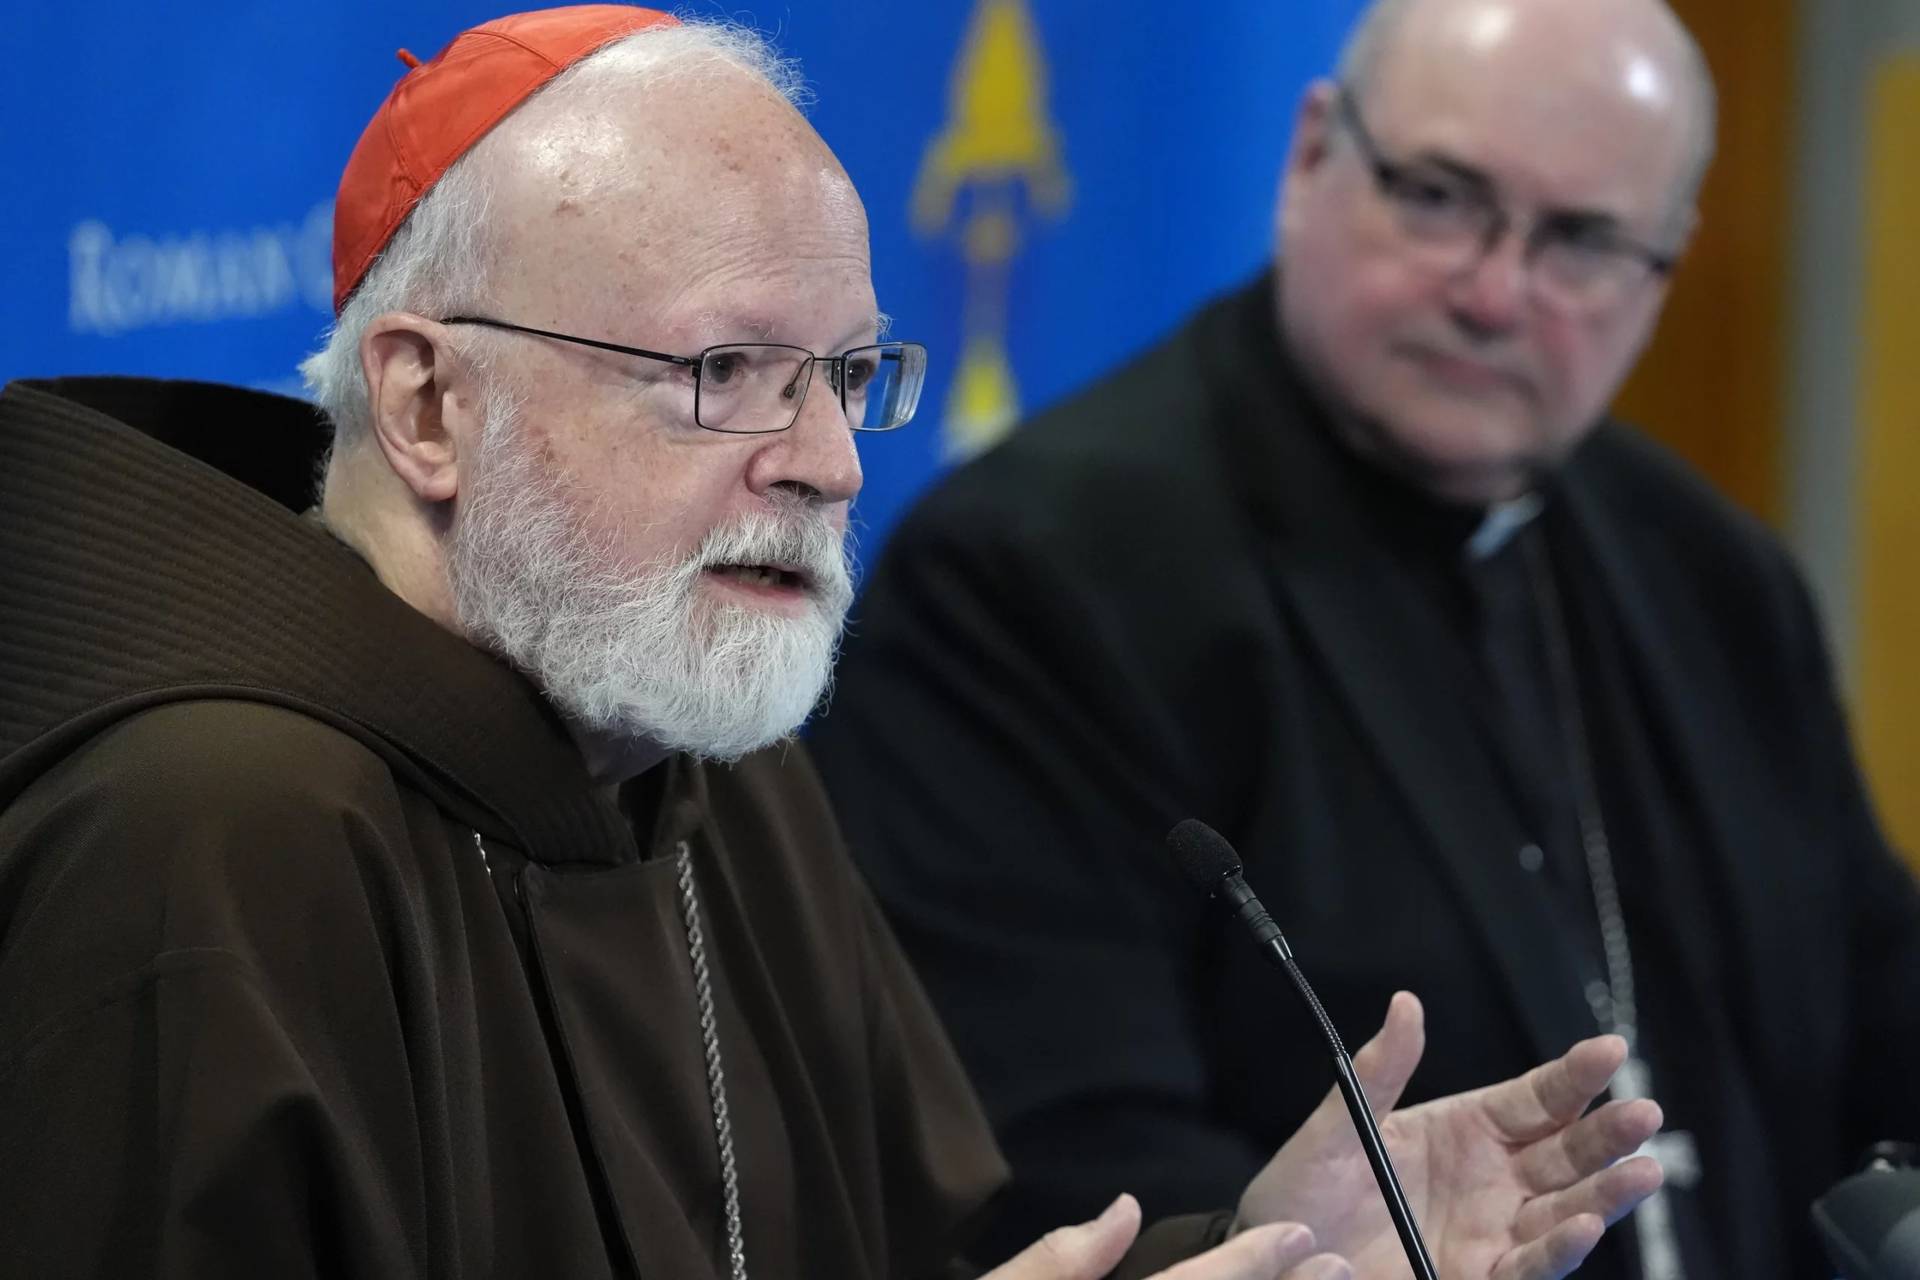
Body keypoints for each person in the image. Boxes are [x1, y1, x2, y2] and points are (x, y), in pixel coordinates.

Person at [0, 6, 1663, 1279]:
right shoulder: (205, 839)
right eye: (723, 373)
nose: (830, 463)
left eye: (847, 376)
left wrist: (1260, 1245)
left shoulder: (709, 762)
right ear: (432, 404)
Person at [810, 0, 1920, 1276]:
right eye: (1442, 197)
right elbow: (1059, 1174)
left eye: (1583, 242)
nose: (1497, 292)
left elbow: (1880, 1025)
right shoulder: (1029, 580)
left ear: (1666, 264)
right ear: (1314, 152)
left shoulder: (1717, 579)